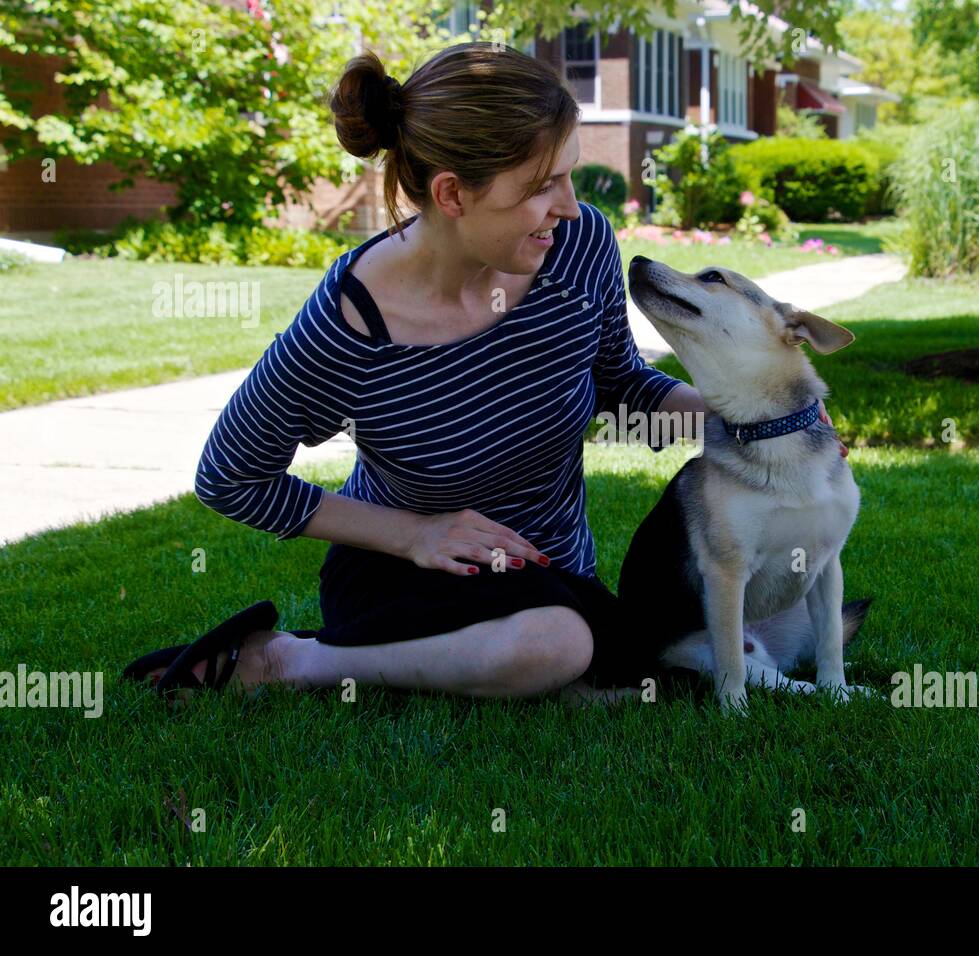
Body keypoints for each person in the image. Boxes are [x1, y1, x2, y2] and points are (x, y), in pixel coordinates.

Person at [122, 42, 843, 705]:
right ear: (451, 196)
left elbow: (621, 385)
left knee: (609, 661)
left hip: (549, 568)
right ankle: (293, 660)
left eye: (567, 175)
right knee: (559, 647)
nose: (568, 204)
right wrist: (414, 534)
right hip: (406, 569)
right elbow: (230, 476)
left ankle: (527, 653)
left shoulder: (574, 246)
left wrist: (767, 427)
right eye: (541, 185)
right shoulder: (349, 325)